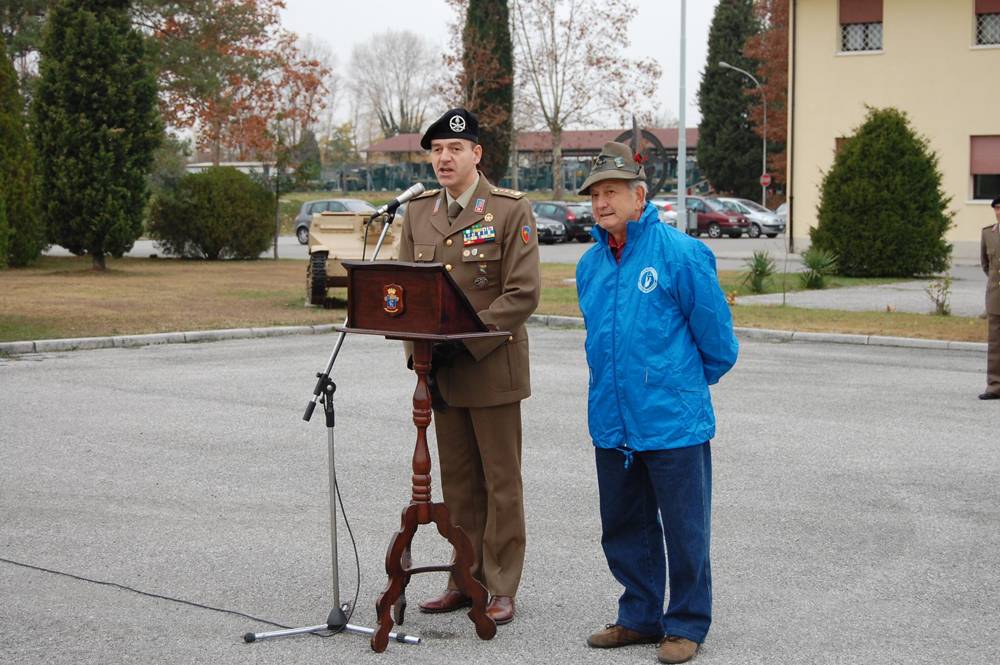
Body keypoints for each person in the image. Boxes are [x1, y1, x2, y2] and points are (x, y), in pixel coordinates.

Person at [575, 142, 738, 664]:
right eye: (595, 194)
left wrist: (677, 384)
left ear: (639, 195)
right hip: (611, 417)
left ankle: (686, 624)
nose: (601, 203)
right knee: (624, 525)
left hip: (673, 422)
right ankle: (640, 617)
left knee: (685, 528)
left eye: (612, 192)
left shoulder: (681, 253)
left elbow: (718, 344)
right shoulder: (589, 264)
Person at [397, 108, 540, 625]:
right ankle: (465, 578)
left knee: (501, 482)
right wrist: (420, 357)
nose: (444, 158)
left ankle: (502, 586)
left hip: (490, 367)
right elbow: (402, 292)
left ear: (477, 154)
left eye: (454, 149)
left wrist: (467, 338)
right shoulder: (416, 214)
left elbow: (522, 293)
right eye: (436, 150)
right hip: (442, 373)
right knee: (457, 483)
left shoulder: (507, 210)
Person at [979, 195, 1000, 400]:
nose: (999, 212)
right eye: (997, 209)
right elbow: (986, 265)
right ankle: (994, 386)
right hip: (996, 297)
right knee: (995, 345)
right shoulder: (988, 234)